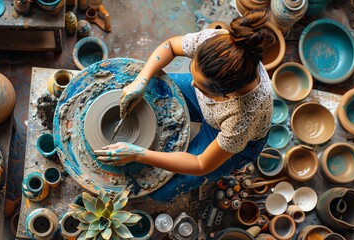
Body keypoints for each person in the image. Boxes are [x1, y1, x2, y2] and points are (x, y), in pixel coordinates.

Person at [95, 9, 275, 202]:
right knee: (152, 86)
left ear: (225, 95)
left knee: (159, 190)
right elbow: (170, 46)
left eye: (200, 86)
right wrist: (141, 80)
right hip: (210, 105)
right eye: (194, 76)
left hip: (230, 138)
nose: (192, 84)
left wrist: (139, 154)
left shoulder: (244, 116)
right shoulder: (216, 43)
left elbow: (200, 164)